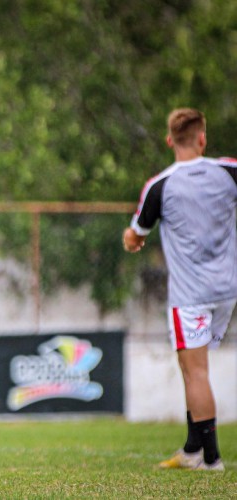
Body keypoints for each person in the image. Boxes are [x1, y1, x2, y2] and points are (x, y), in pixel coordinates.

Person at [123, 108, 235, 471]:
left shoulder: (161, 184)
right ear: (203, 138)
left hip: (192, 297)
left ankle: (211, 458)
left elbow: (136, 234)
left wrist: (131, 240)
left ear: (170, 140)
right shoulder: (229, 170)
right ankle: (191, 448)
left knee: (195, 371)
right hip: (227, 292)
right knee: (192, 370)